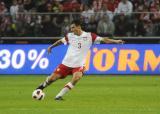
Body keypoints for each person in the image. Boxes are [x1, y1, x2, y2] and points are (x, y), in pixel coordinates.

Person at [33, 20, 124, 100]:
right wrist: (51, 47)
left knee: (77, 78)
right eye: (71, 28)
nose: (71, 30)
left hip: (79, 64)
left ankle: (58, 96)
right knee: (52, 79)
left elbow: (104, 40)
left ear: (78, 27)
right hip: (66, 63)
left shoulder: (89, 36)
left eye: (73, 27)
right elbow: (60, 41)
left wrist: (116, 41)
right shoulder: (70, 36)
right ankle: (39, 88)